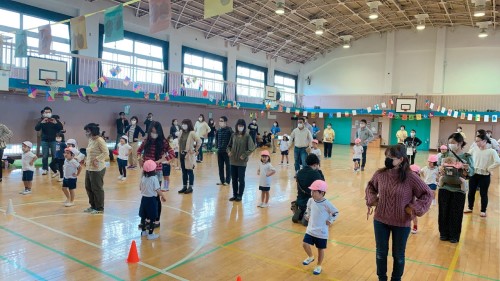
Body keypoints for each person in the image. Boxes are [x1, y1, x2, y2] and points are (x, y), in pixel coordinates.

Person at [365, 145, 432, 280]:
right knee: (381, 253)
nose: (387, 160)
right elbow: (370, 186)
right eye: (386, 157)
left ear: (401, 159)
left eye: (391, 157)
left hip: (401, 222)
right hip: (380, 220)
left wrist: (414, 208)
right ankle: (381, 278)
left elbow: (427, 194)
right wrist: (372, 199)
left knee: (398, 255)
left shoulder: (411, 178)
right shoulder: (380, 174)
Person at [437, 133, 474, 243]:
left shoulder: (466, 156)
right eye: (449, 143)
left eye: (453, 143)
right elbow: (438, 167)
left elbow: (471, 173)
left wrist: (466, 169)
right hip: (444, 188)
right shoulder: (444, 155)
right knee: (443, 212)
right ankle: (443, 233)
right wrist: (440, 169)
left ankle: (454, 235)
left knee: (456, 213)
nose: (450, 145)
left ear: (460, 143)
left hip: (458, 189)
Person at [137, 121, 175, 227]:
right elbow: (139, 151)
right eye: (152, 132)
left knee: (155, 197)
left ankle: (156, 220)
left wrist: (160, 161)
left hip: (157, 172)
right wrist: (139, 158)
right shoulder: (146, 141)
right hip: (145, 171)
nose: (153, 134)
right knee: (146, 194)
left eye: (155, 132)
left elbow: (172, 153)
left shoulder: (163, 142)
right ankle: (147, 219)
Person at [301, 180, 339, 275]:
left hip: (321, 232)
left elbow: (336, 212)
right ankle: (310, 256)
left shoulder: (327, 203)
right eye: (311, 191)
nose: (312, 193)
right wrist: (307, 214)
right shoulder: (310, 200)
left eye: (314, 191)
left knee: (320, 249)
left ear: (322, 193)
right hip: (310, 229)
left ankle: (318, 265)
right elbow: (308, 209)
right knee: (305, 244)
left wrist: (330, 220)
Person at [464, 132, 500, 217]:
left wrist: (489, 168)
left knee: (483, 193)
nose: (476, 143)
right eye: (476, 141)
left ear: (484, 141)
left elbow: (498, 161)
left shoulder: (491, 151)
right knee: (471, 192)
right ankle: (470, 207)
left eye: (478, 141)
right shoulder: (474, 149)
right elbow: (467, 156)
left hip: (485, 176)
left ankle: (483, 210)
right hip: (473, 174)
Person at [227, 119, 256, 202]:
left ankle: (240, 195)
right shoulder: (233, 135)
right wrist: (229, 151)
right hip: (233, 161)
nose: (240, 127)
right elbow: (228, 146)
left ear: (244, 127)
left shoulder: (247, 136)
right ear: (236, 126)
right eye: (239, 126)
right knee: (234, 179)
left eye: (242, 126)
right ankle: (235, 195)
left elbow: (252, 148)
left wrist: (244, 155)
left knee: (241, 179)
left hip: (242, 162)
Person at [83, 123, 108, 215]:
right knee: (88, 187)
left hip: (98, 169)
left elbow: (106, 153)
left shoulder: (100, 140)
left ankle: (99, 208)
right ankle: (93, 206)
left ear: (93, 131)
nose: (86, 133)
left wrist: (97, 159)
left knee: (97, 188)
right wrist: (86, 159)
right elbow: (89, 152)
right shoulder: (91, 140)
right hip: (89, 168)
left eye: (88, 131)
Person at [139, 160, 167, 240]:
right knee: (152, 217)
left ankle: (143, 232)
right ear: (154, 170)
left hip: (143, 199)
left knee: (143, 216)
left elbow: (140, 188)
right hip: (152, 200)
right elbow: (158, 190)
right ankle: (150, 234)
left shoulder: (143, 177)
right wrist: (163, 196)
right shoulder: (154, 178)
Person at [293, 154, 324, 225]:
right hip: (310, 202)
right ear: (316, 164)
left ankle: (301, 212)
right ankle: (307, 216)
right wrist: (319, 171)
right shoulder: (315, 173)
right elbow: (323, 185)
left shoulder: (299, 172)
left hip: (300, 200)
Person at [35, 106, 64, 175]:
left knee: (55, 155)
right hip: (44, 140)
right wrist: (42, 122)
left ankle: (55, 169)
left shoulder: (55, 120)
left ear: (51, 113)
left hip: (54, 140)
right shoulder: (42, 120)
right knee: (45, 156)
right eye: (46, 112)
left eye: (49, 112)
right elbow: (36, 128)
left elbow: (61, 128)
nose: (47, 113)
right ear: (43, 113)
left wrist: (56, 123)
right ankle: (45, 169)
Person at [177, 119, 201, 194]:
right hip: (181, 154)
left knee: (190, 171)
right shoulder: (181, 132)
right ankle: (184, 186)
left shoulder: (192, 133)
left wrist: (195, 149)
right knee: (184, 172)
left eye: (185, 124)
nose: (183, 125)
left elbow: (199, 141)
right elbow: (179, 142)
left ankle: (190, 187)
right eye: (182, 124)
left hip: (189, 155)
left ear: (188, 125)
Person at [215, 116, 232, 186]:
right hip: (220, 151)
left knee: (228, 167)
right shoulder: (218, 131)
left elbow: (232, 141)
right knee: (220, 166)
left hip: (227, 152)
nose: (220, 122)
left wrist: (230, 150)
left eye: (221, 121)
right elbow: (216, 139)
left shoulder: (229, 131)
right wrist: (217, 147)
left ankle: (227, 181)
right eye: (219, 121)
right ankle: (222, 180)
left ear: (225, 122)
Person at [409, 164, 421, 234]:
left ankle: (415, 226)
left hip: (413, 201)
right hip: (406, 200)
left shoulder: (418, 181)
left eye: (414, 172)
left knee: (413, 215)